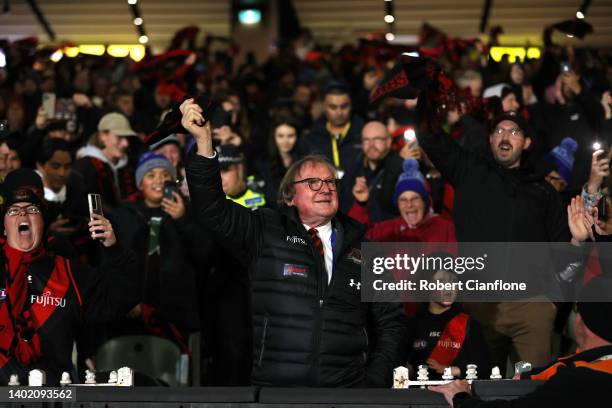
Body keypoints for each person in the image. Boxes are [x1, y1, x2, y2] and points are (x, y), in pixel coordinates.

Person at [182, 98, 406, 387]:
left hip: (346, 394)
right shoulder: (264, 229)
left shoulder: (364, 247)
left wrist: (373, 381)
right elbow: (212, 208)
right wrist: (203, 142)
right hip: (278, 392)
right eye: (313, 182)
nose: (325, 189)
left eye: (330, 183)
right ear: (289, 196)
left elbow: (392, 323)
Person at [418, 109, 571, 373]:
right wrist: (424, 96)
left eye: (514, 131)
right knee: (481, 386)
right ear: (489, 139)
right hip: (480, 308)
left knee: (535, 390)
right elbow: (432, 139)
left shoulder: (543, 191)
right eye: (499, 130)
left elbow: (563, 248)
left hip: (531, 308)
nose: (505, 136)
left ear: (526, 143)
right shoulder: (469, 170)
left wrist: (550, 302)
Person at [0, 168, 139, 385]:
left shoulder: (69, 272)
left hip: (54, 395)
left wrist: (114, 248)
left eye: (32, 209)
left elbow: (121, 299)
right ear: (4, 227)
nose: (23, 215)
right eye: (13, 210)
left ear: (43, 222)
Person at [429, 276, 612, 408]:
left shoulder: (579, 380)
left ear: (584, 322)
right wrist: (530, 375)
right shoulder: (589, 368)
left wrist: (461, 398)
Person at [91, 152, 199, 354]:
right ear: (140, 184)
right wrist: (125, 300)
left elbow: (202, 255)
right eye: (151, 175)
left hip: (175, 314)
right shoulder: (122, 216)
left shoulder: (188, 211)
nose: (159, 180)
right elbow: (110, 262)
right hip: (132, 313)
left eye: (165, 175)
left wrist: (183, 219)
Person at [406, 269, 490, 380]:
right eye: (441, 281)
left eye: (453, 281)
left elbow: (486, 368)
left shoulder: (468, 323)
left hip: (458, 394)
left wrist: (452, 370)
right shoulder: (413, 324)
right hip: (421, 394)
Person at [66, 112, 138, 216]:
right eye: (119, 137)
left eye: (127, 138)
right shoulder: (84, 168)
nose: (126, 143)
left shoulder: (129, 167)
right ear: (102, 136)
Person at [340, 121, 404, 221]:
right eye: (366, 140)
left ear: (388, 141)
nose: (371, 145)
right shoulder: (352, 171)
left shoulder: (400, 168)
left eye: (376, 139)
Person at [301, 80, 364, 178]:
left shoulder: (364, 135)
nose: (339, 112)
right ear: (324, 107)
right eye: (333, 107)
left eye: (344, 106)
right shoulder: (311, 139)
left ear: (351, 106)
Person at [253, 117, 302, 208]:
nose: (285, 141)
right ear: (273, 137)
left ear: (297, 137)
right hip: (272, 213)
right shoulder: (262, 163)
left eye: (290, 136)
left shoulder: (304, 162)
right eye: (280, 136)